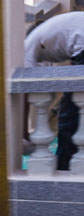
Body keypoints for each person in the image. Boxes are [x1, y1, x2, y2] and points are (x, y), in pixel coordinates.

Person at [24, 7, 84, 170]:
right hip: (79, 44)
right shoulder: (51, 35)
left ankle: (64, 165)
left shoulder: (28, 43)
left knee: (68, 116)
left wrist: (23, 134)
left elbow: (24, 90)